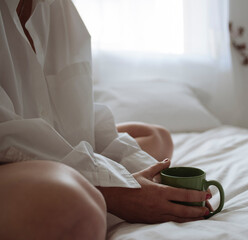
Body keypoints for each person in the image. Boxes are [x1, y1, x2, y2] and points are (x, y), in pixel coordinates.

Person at [0, 0, 212, 239]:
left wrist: (148, 178)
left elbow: (78, 117)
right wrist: (119, 191)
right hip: (7, 159)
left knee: (157, 139)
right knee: (76, 207)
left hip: (45, 148)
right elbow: (7, 139)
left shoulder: (57, 7)